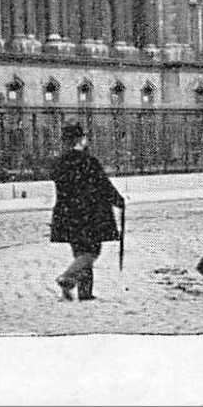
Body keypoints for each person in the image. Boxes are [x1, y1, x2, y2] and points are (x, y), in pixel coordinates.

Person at [50, 120, 125, 301]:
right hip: (89, 214)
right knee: (91, 252)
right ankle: (68, 277)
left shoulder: (60, 162)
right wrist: (118, 201)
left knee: (80, 251)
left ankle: (83, 293)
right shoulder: (88, 161)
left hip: (67, 213)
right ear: (79, 139)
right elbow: (103, 185)